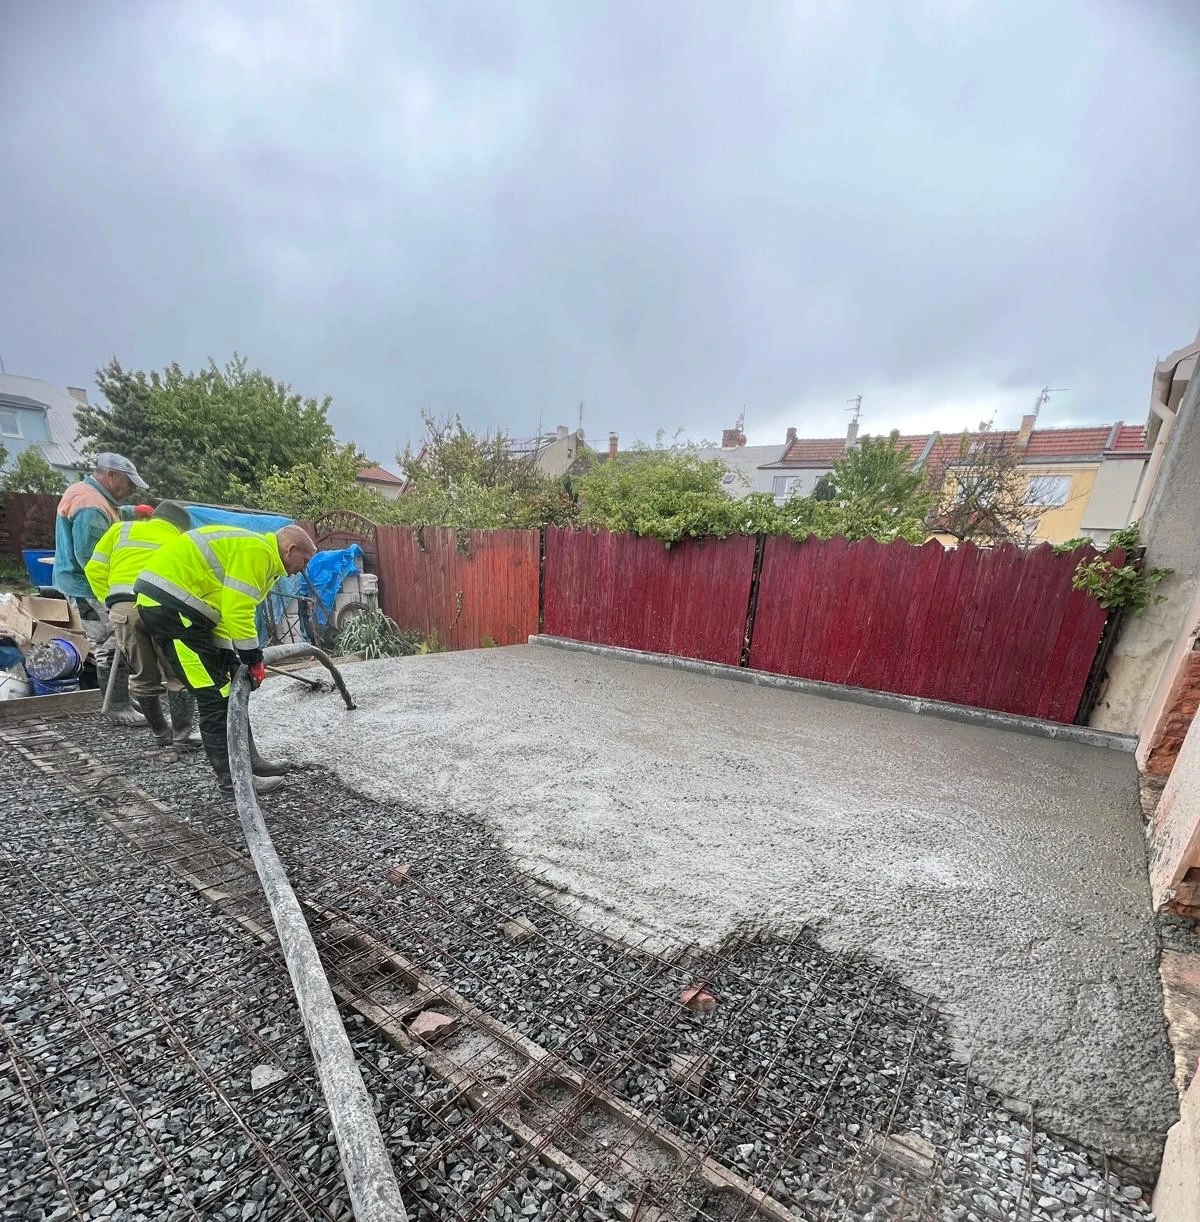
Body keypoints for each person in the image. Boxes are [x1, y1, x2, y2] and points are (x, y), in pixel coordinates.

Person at [134, 524, 317, 796]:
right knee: (215, 698)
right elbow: (237, 610)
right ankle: (234, 781)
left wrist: (229, 656)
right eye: (304, 560)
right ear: (290, 550)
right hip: (172, 614)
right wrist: (252, 658)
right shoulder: (258, 552)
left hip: (186, 612)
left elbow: (218, 609)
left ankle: (250, 762)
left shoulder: (255, 553)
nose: (303, 568)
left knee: (229, 690)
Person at [84, 501, 202, 751]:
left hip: (124, 608)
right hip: (163, 607)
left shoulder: (120, 530)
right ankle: (182, 737)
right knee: (177, 673)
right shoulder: (182, 542)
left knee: (142, 674)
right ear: (181, 527)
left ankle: (161, 732)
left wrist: (111, 600)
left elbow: (93, 568)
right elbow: (192, 583)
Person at [53, 453, 153, 724]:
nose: (130, 489)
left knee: (112, 640)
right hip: (87, 585)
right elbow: (91, 557)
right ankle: (118, 706)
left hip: (80, 581)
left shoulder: (90, 494)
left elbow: (110, 518)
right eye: (129, 484)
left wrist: (134, 511)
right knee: (111, 641)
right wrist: (115, 594)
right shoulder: (90, 507)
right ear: (112, 476)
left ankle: (118, 697)